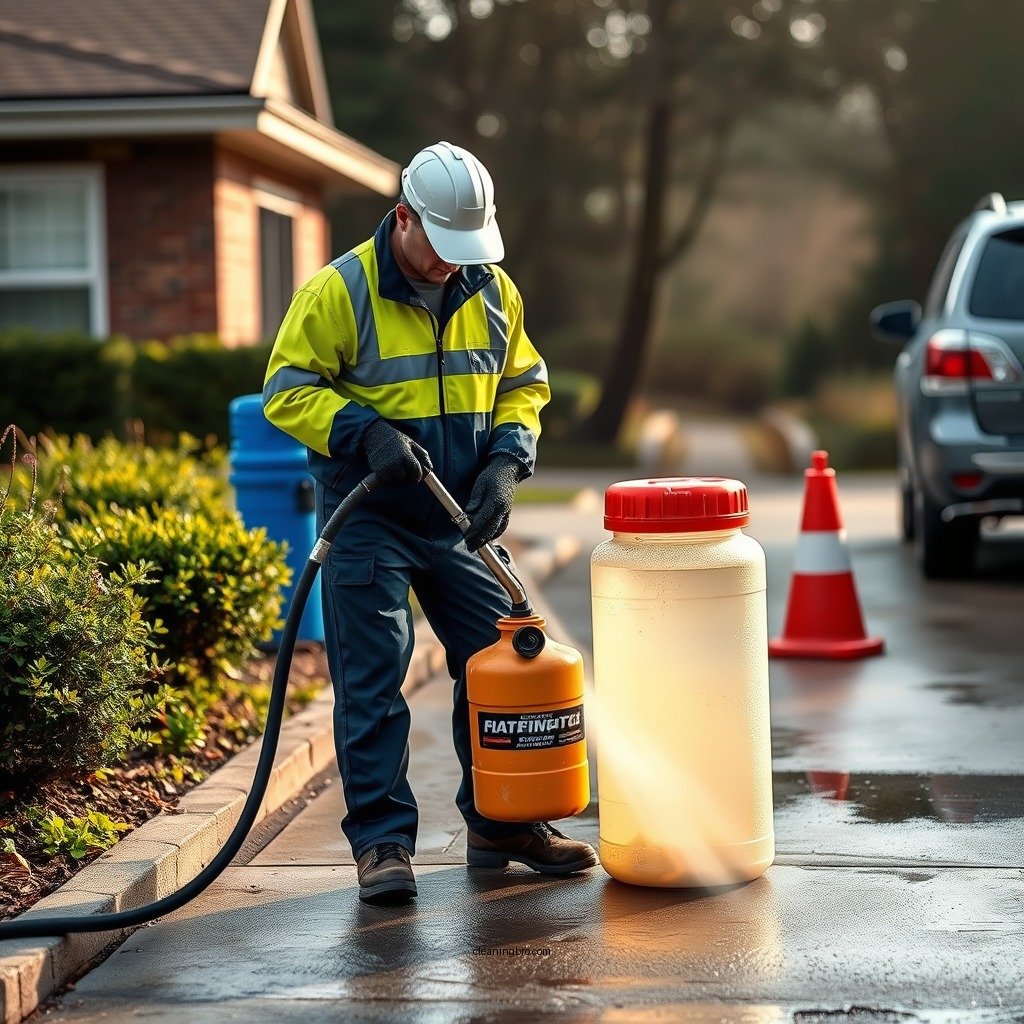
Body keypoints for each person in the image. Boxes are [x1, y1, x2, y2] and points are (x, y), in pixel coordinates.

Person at [263, 141, 598, 905]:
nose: (453, 264)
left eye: (466, 250)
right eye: (442, 248)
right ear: (403, 218)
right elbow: (286, 390)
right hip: (370, 516)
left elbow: (524, 383)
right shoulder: (340, 290)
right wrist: (364, 431)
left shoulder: (493, 289)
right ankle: (382, 845)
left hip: (459, 517)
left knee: (500, 661)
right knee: (374, 678)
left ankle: (502, 825)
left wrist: (507, 463)